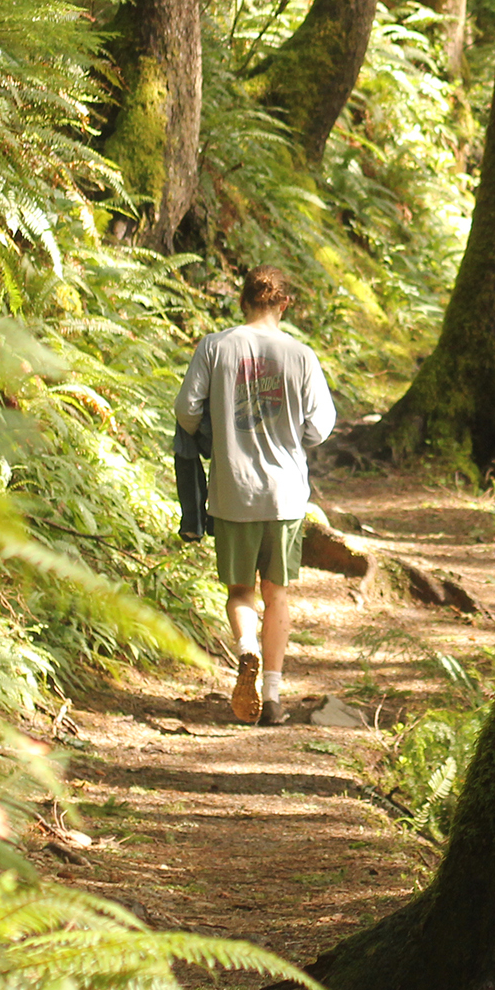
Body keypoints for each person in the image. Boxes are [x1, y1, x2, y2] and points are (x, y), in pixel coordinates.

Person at [175, 266, 336, 725]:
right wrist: (291, 437)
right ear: (283, 304)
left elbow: (187, 411)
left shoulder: (215, 347)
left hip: (232, 493)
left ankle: (246, 649)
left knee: (240, 592)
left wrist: (216, 431)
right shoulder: (301, 356)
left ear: (243, 301)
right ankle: (272, 698)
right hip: (285, 495)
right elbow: (320, 427)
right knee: (277, 594)